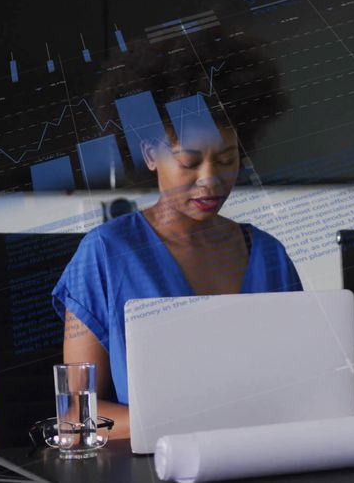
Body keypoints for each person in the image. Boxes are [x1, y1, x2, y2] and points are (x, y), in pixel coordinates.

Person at [52, 32, 301, 438]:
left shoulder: (269, 254)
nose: (211, 181)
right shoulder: (104, 255)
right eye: (189, 161)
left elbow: (300, 382)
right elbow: (75, 418)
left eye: (227, 159)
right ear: (150, 154)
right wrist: (194, 421)